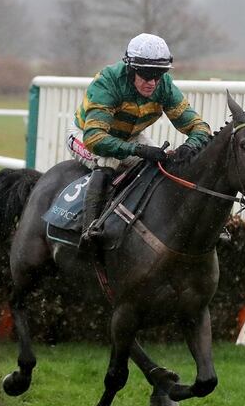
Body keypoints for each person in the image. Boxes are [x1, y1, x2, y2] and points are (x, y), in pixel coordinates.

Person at [66, 32, 212, 247]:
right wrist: (137, 150)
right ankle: (90, 230)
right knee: (109, 160)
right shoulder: (108, 82)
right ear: (131, 69)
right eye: (146, 74)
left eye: (159, 75)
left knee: (165, 165)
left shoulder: (164, 86)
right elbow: (95, 138)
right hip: (85, 135)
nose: (152, 82)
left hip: (130, 137)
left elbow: (200, 128)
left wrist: (189, 146)